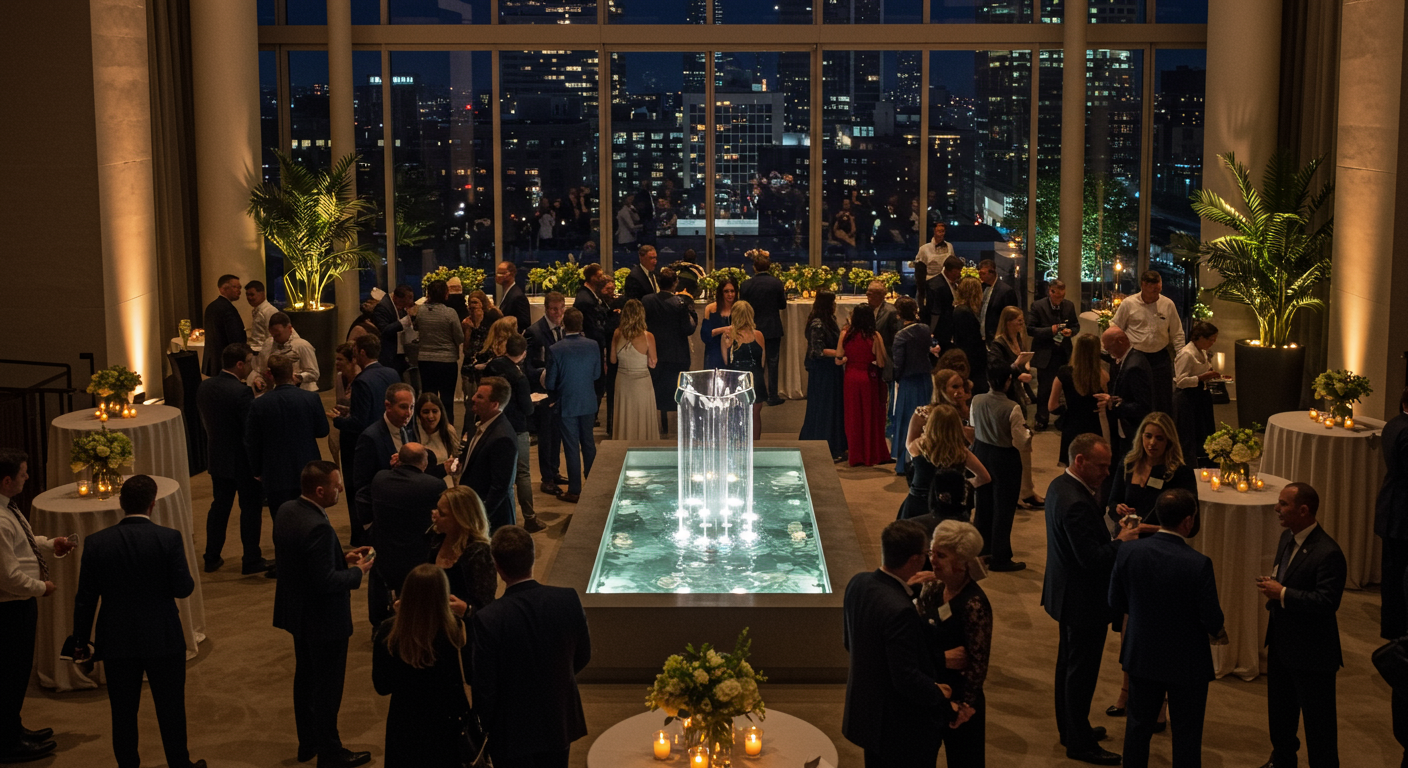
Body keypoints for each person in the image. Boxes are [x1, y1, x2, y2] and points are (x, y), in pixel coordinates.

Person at [69, 475, 204, 768]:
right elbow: (184, 588)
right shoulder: (168, 538)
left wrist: (80, 640)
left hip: (117, 639)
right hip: (163, 637)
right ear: (152, 504)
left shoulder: (96, 543)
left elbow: (85, 599)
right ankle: (180, 764)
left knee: (123, 713)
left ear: (121, 503)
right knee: (171, 709)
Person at [1042, 433, 1155, 766]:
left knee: (1068, 667)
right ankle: (1079, 744)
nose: (1107, 473)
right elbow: (1092, 559)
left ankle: (1071, 729)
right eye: (1102, 466)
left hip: (1066, 594)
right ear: (1080, 461)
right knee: (1080, 674)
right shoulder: (1076, 502)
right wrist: (1122, 541)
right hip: (1083, 601)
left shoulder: (1059, 486)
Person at [1109, 488, 1224, 768]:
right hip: (1187, 662)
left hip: (1142, 654)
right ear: (1188, 521)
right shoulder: (1198, 564)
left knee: (1138, 728)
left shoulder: (1128, 551)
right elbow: (1213, 619)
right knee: (1186, 735)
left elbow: (1115, 601)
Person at [272, 461, 374, 768]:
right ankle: (331, 752)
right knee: (327, 688)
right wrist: (357, 571)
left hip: (298, 613)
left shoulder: (288, 510)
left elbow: (303, 560)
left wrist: (339, 558)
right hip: (324, 620)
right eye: (336, 484)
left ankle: (308, 743)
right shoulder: (318, 527)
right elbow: (325, 582)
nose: (341, 488)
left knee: (305, 679)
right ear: (320, 490)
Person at [472, 527, 591, 768]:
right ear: (533, 557)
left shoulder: (488, 618)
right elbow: (582, 655)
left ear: (497, 566)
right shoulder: (568, 599)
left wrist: (484, 728)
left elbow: (485, 687)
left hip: (511, 730)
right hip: (558, 718)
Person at [841, 519, 954, 767]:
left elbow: (850, 643)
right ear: (914, 560)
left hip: (867, 715)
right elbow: (905, 677)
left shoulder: (858, 583)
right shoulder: (900, 610)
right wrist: (938, 692)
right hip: (899, 727)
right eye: (926, 554)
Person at [1257, 482, 1347, 768]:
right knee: (1280, 715)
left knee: (1319, 727)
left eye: (1284, 504)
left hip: (1313, 654)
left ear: (1304, 510)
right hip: (1281, 645)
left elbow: (1327, 602)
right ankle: (1282, 760)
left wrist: (1282, 593)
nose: (1277, 509)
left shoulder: (1328, 552)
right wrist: (1276, 587)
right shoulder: (1287, 537)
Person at [0, 450, 71, 762]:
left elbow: (22, 543)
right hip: (10, 609)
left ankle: (12, 729)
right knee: (11, 675)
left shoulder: (8, 507)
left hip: (18, 606)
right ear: (6, 480)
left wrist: (49, 543)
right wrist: (42, 588)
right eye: (23, 473)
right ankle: (7, 742)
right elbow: (8, 576)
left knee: (15, 673)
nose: (27, 477)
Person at [371, 564, 470, 768]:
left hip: (404, 722)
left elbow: (382, 686)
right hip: (445, 722)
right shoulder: (454, 630)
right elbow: (464, 677)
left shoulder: (388, 633)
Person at [913, 520, 992, 768]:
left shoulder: (974, 605)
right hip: (932, 691)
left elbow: (978, 664)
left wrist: (965, 706)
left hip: (961, 700)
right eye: (932, 552)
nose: (932, 561)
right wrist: (942, 658)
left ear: (962, 563)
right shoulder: (933, 590)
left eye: (941, 556)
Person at [196, 342, 267, 574]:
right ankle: (251, 559)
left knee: (219, 507)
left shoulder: (205, 386)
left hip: (217, 456)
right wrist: (258, 464)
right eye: (249, 362)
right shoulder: (241, 392)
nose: (251, 366)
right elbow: (250, 432)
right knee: (250, 509)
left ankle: (211, 557)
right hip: (242, 462)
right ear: (239, 364)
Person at [330, 335, 400, 546]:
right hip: (388, 438)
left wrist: (338, 420)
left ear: (361, 352)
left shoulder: (361, 381)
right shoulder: (391, 373)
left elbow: (359, 422)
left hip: (361, 445)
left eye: (355, 352)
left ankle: (360, 537)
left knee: (358, 490)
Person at [367, 443, 446, 625]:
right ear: (425, 462)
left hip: (385, 553)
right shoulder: (434, 485)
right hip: (417, 554)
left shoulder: (380, 479)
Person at [246, 355, 329, 522]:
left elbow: (253, 441)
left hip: (275, 473)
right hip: (308, 470)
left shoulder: (259, 404)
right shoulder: (311, 398)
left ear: (269, 374)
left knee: (281, 521)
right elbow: (322, 431)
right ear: (292, 373)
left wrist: (257, 471)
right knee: (311, 519)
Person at [970, 365, 1030, 572]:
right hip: (1004, 458)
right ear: (1008, 381)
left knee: (983, 504)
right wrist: (1029, 434)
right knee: (1003, 508)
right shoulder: (1012, 407)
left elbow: (973, 425)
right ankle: (1000, 556)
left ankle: (981, 549)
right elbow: (1021, 440)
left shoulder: (976, 400)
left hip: (980, 453)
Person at [545, 308, 600, 504]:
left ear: (564, 324)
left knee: (571, 446)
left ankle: (575, 490)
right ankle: (592, 486)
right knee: (589, 444)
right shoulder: (593, 345)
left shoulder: (556, 349)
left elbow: (550, 382)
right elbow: (596, 374)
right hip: (588, 401)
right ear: (581, 323)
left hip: (567, 402)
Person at [1107, 411, 1198, 532]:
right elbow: (1112, 504)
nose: (1152, 443)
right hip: (1127, 535)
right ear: (1141, 436)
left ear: (1169, 441)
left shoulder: (1181, 473)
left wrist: (1146, 528)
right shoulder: (1128, 464)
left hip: (1160, 539)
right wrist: (1118, 509)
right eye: (1148, 436)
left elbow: (1191, 526)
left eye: (1159, 438)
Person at [988, 305, 1041, 509]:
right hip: (1007, 397)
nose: (1021, 324)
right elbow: (996, 369)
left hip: (1020, 396)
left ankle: (1027, 490)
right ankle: (1017, 493)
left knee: (1025, 444)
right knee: (1015, 446)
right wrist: (1016, 371)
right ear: (1007, 322)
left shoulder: (1018, 339)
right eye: (1018, 320)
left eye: (1022, 320)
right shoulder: (998, 343)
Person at [483, 333, 538, 528]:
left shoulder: (492, 366)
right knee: (522, 474)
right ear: (524, 353)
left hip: (492, 424)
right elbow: (528, 409)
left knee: (496, 474)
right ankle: (529, 517)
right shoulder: (519, 378)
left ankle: (497, 517)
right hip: (516, 428)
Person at [900, 403, 989, 521]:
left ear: (931, 424)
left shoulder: (918, 446)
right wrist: (964, 484)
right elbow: (984, 477)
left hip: (917, 502)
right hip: (947, 507)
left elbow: (908, 444)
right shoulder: (960, 452)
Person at [1111, 270, 1183, 415]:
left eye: (1158, 289)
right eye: (1152, 290)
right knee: (1138, 398)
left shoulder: (1168, 304)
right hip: (1136, 357)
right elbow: (1115, 327)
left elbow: (1177, 333)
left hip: (1160, 357)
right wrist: (1117, 352)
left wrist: (1181, 357)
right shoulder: (1129, 303)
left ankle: (1163, 425)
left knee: (1163, 398)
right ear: (1143, 285)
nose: (1155, 294)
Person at [458, 377, 520, 531]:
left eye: (480, 397)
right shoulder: (480, 424)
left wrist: (480, 518)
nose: (473, 398)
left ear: (494, 405)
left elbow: (500, 488)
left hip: (492, 520)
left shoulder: (503, 437)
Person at [430, 486, 498, 623]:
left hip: (463, 628)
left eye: (441, 513)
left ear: (460, 519)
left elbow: (487, 608)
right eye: (436, 508)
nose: (434, 514)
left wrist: (467, 610)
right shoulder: (437, 539)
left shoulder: (479, 553)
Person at [643, 268, 697, 435]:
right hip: (677, 354)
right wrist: (692, 312)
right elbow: (688, 329)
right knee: (678, 392)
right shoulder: (680, 303)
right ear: (675, 283)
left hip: (655, 352)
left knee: (657, 391)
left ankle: (659, 426)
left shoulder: (647, 300)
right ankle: (679, 427)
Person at [1049, 333, 1112, 468]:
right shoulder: (1104, 375)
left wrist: (1066, 411)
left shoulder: (1064, 372)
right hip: (1095, 426)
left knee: (1074, 468)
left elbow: (1052, 406)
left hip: (1072, 425)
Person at [839, 304, 891, 467]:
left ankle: (856, 455)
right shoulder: (874, 336)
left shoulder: (845, 334)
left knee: (853, 416)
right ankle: (872, 454)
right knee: (871, 416)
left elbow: (839, 355)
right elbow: (881, 362)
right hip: (869, 377)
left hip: (851, 377)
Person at [799, 291, 847, 462]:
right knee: (824, 408)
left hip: (830, 370)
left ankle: (835, 444)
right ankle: (825, 445)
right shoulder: (818, 324)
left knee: (832, 407)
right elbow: (817, 351)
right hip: (822, 372)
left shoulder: (828, 320)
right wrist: (840, 354)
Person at [526, 292, 567, 495]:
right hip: (542, 392)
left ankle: (555, 471)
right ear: (546, 308)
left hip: (560, 391)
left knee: (557, 434)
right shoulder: (534, 332)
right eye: (553, 309)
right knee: (546, 436)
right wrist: (544, 374)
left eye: (561, 309)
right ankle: (547, 478)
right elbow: (527, 366)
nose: (558, 313)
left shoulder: (565, 329)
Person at [890, 297, 935, 474]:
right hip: (925, 379)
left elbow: (898, 363)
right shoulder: (924, 329)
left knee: (907, 420)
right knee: (925, 420)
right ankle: (925, 459)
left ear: (899, 314)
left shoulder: (901, 336)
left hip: (909, 382)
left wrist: (897, 379)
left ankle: (905, 463)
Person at [1029, 279, 1080, 430]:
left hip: (1064, 352)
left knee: (1067, 387)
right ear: (1050, 291)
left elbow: (1076, 325)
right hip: (1045, 352)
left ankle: (1063, 418)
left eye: (1062, 296)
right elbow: (1030, 329)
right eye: (1057, 296)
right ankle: (1042, 418)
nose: (1060, 299)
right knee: (1044, 388)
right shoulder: (1038, 306)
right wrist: (1050, 330)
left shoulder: (1069, 305)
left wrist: (1071, 332)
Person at [1102, 326, 1153, 474]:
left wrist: (1114, 405)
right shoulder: (1132, 358)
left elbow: (1143, 406)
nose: (1109, 353)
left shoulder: (1134, 366)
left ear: (1120, 341)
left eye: (1109, 348)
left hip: (1133, 429)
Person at [740, 251, 788, 405]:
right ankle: (773, 395)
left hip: (753, 328)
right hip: (773, 327)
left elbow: (742, 307)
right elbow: (782, 305)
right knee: (773, 362)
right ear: (769, 267)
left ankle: (756, 393)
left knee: (754, 362)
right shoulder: (776, 283)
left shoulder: (746, 285)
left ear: (754, 268)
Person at [415, 279, 466, 426]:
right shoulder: (450, 313)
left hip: (425, 359)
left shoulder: (421, 311)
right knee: (447, 399)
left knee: (428, 397)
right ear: (445, 294)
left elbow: (416, 327)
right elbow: (459, 337)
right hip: (447, 361)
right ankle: (447, 429)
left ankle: (427, 427)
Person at [1174, 321, 1222, 467]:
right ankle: (1188, 467)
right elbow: (1180, 381)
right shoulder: (1186, 354)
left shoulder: (1202, 351)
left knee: (1204, 431)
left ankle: (1205, 464)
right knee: (1189, 434)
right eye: (1210, 339)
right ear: (1200, 337)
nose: (1213, 343)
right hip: (1188, 399)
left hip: (1201, 397)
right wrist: (1202, 377)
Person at [1381, 387, 1408, 642]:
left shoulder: (1394, 423)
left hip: (1392, 507)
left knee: (1392, 573)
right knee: (1397, 575)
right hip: (1402, 512)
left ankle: (1392, 626)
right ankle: (1397, 629)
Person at [611, 299, 659, 442]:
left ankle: (623, 446)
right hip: (642, 384)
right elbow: (653, 364)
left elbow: (613, 360)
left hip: (623, 382)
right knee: (642, 415)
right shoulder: (648, 336)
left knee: (624, 415)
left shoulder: (617, 333)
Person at [722, 300, 768, 440]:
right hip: (756, 378)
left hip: (736, 379)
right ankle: (756, 446)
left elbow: (726, 361)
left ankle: (737, 444)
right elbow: (762, 361)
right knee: (755, 415)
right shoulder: (758, 335)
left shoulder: (728, 336)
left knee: (736, 415)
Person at [253, 312, 320, 393]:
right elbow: (261, 369)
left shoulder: (302, 346)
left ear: (289, 329)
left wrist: (298, 377)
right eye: (273, 335)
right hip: (277, 392)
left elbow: (314, 373)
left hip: (301, 392)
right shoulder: (268, 344)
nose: (275, 339)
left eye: (278, 335)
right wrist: (259, 380)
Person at [202, 274, 247, 377]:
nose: (239, 291)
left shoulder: (211, 306)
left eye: (239, 287)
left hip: (214, 359)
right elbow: (235, 336)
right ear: (223, 289)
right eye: (235, 287)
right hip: (226, 361)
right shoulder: (228, 309)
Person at [951, 276, 988, 394]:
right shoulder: (963, 312)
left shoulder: (964, 310)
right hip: (971, 360)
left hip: (971, 358)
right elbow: (968, 340)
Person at [374, 285, 418, 377]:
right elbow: (384, 331)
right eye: (403, 303)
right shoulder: (382, 308)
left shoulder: (400, 306)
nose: (404, 306)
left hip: (401, 354)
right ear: (396, 298)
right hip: (389, 355)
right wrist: (405, 321)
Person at [866, 280, 902, 391]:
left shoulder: (890, 311)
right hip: (869, 356)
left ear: (880, 296)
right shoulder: (866, 309)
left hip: (886, 356)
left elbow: (895, 338)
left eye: (870, 294)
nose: (867, 297)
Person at [926, 255, 966, 350]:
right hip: (940, 331)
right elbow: (934, 312)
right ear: (949, 271)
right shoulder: (935, 285)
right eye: (958, 271)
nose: (960, 274)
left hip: (950, 329)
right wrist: (930, 332)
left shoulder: (955, 282)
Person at [415, 392, 460, 475]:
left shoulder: (448, 430)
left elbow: (456, 460)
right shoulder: (414, 433)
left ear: (441, 412)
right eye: (426, 412)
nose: (430, 416)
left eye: (435, 411)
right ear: (418, 414)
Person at [699, 277, 738, 370]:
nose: (730, 294)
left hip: (735, 354)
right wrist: (725, 329)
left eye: (732, 291)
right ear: (721, 293)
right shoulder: (710, 308)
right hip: (714, 353)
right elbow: (705, 335)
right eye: (726, 291)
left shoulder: (739, 309)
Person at [977, 259, 1019, 341]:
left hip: (997, 335)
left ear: (992, 272)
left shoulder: (1005, 291)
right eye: (980, 273)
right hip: (982, 335)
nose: (980, 276)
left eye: (983, 273)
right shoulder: (982, 287)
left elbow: (1010, 317)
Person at [913, 222, 956, 287]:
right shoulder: (924, 249)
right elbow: (919, 270)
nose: (941, 234)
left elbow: (953, 265)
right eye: (939, 231)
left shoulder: (949, 246)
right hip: (930, 283)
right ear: (934, 231)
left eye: (943, 231)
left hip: (946, 283)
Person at [495, 261, 531, 334]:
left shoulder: (518, 296)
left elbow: (524, 324)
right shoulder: (509, 292)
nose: (497, 276)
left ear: (510, 274)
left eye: (501, 273)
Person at [245, 279, 277, 352]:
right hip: (255, 349)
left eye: (252, 294)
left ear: (262, 294)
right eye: (247, 295)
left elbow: (272, 336)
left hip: (262, 350)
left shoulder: (269, 311)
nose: (249, 298)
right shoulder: (257, 310)